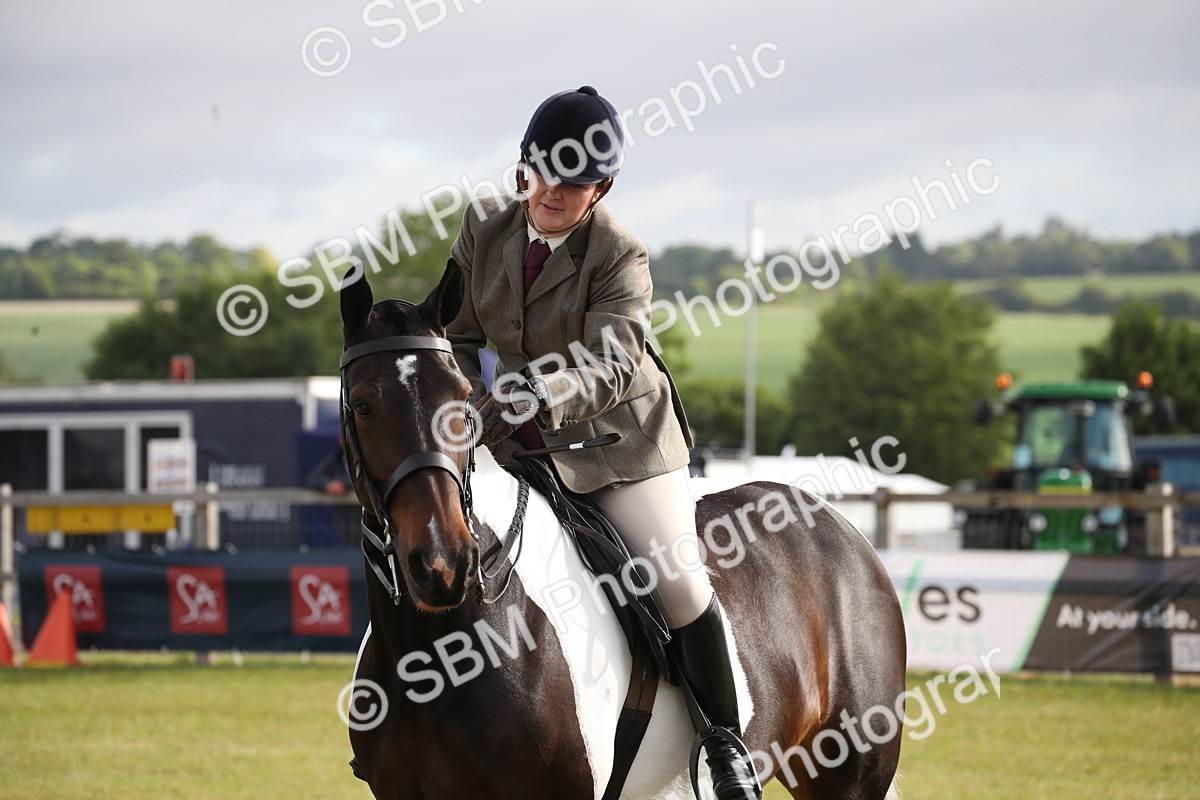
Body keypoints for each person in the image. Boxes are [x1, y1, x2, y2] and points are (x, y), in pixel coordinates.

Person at [447, 86, 760, 800]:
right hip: (515, 441)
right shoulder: (483, 228)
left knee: (678, 581)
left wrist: (536, 394)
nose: (551, 192)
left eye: (573, 181)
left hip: (619, 444)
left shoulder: (620, 256)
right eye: (541, 173)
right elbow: (457, 336)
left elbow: (612, 366)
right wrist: (472, 402)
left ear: (602, 188)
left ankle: (724, 743)